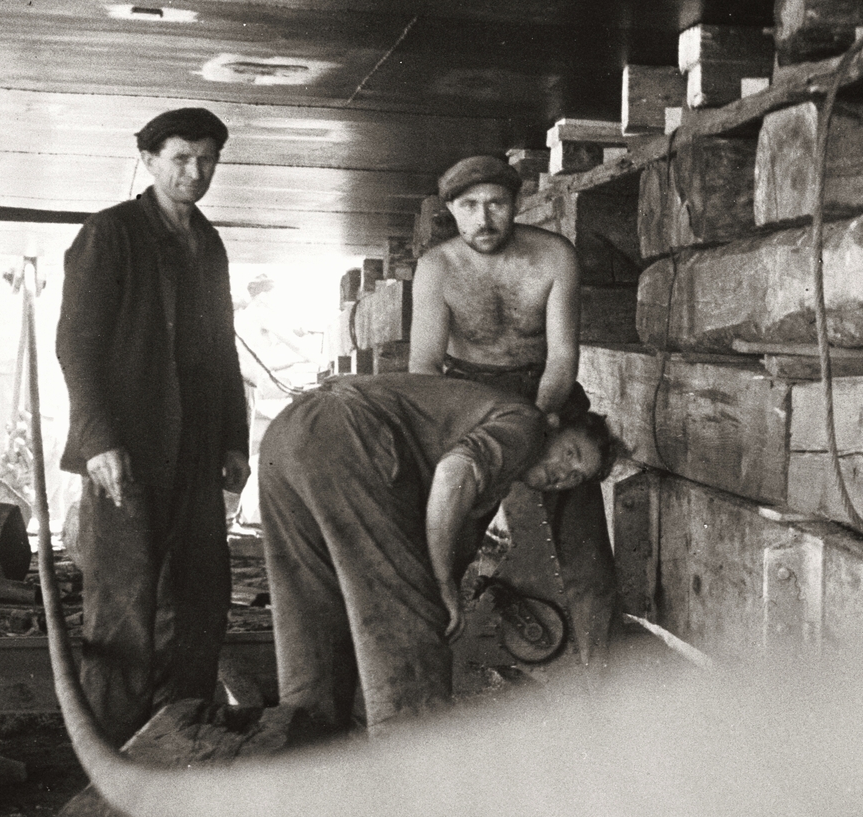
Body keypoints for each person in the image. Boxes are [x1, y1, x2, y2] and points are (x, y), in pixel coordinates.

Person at [258, 373, 616, 737]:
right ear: (553, 425)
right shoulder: (528, 425)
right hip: (350, 436)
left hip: (288, 435)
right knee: (412, 624)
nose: (564, 474)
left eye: (576, 476)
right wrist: (443, 585)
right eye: (570, 453)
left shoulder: (498, 463)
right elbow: (453, 473)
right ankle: (418, 780)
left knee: (311, 620)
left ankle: (305, 761)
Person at [55, 107, 250, 747]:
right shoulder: (109, 235)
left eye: (207, 160)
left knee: (201, 596)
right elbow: (76, 346)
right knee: (122, 605)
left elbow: (223, 349)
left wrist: (233, 440)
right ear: (147, 161)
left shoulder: (209, 242)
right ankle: (112, 750)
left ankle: (181, 735)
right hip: (128, 449)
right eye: (180, 159)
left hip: (194, 450)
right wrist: (99, 442)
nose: (195, 172)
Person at [408, 154, 617, 665]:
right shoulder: (437, 268)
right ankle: (423, 675)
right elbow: (424, 366)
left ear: (516, 204)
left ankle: (603, 685)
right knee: (447, 538)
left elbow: (563, 356)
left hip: (549, 393)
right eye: (470, 206)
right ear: (451, 210)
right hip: (469, 398)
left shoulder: (552, 255)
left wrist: (540, 421)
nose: (484, 219)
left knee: (586, 555)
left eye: (497, 204)